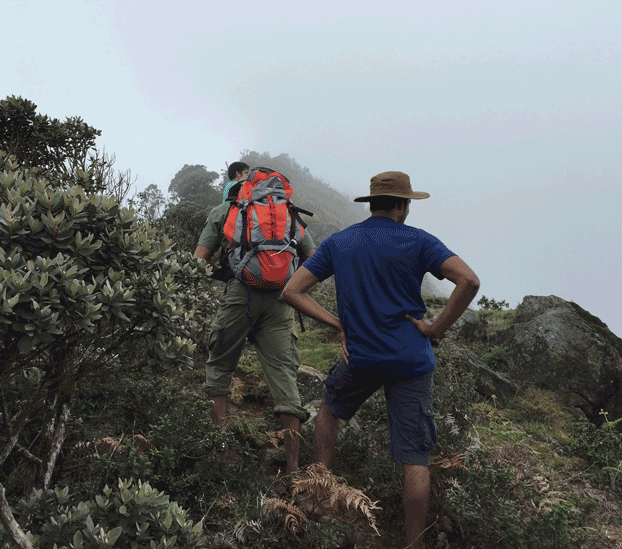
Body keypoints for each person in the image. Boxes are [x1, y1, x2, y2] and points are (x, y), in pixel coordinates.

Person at [281, 171, 480, 549]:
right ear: (403, 206)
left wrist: (338, 323)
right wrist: (435, 329)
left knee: (330, 409)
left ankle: (318, 497)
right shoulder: (419, 241)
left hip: (361, 356)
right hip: (411, 360)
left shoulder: (341, 242)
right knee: (415, 458)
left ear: (371, 204)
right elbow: (468, 281)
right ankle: (413, 543)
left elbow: (292, 291)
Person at [194, 162, 315, 473]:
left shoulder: (224, 211)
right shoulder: (288, 213)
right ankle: (293, 468)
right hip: (280, 301)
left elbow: (198, 260)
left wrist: (224, 274)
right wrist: (291, 288)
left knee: (220, 365)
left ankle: (218, 449)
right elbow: (313, 260)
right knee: (285, 376)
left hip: (239, 296)